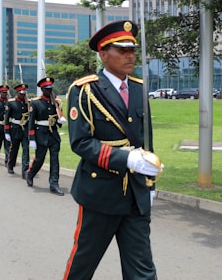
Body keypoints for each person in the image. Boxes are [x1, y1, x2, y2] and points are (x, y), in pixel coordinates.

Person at [63, 20, 163, 279]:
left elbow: (145, 140)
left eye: (132, 50)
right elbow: (81, 142)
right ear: (103, 54)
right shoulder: (85, 90)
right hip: (100, 193)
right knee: (83, 265)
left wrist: (150, 182)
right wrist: (126, 159)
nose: (130, 56)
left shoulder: (139, 88)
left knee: (142, 269)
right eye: (122, 50)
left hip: (136, 194)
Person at [26, 78, 66, 195]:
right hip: (40, 134)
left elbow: (57, 118)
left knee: (55, 160)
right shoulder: (36, 102)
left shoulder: (56, 102)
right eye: (47, 89)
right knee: (40, 159)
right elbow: (31, 122)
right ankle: (31, 173)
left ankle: (54, 184)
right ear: (42, 89)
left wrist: (60, 120)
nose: (49, 91)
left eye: (50, 89)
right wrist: (32, 138)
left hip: (53, 134)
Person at [4, 83, 30, 177]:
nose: (23, 95)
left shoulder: (28, 103)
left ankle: (25, 171)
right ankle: (10, 165)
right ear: (17, 92)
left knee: (26, 150)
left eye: (24, 93)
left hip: (25, 129)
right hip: (15, 128)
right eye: (21, 93)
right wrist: (7, 131)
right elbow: (7, 118)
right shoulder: (11, 103)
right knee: (14, 149)